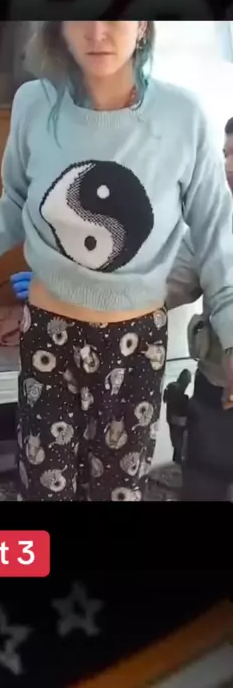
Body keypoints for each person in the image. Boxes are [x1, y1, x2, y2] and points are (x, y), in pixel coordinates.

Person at [0, 21, 233, 502]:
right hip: (49, 335)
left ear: (143, 26)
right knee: (43, 490)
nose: (98, 31)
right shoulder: (35, 103)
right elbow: (14, 203)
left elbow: (218, 237)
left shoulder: (183, 116)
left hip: (137, 344)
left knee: (117, 493)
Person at [166, 117, 233, 501]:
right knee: (203, 490)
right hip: (216, 399)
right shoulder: (209, 229)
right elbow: (157, 290)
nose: (229, 165)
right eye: (226, 153)